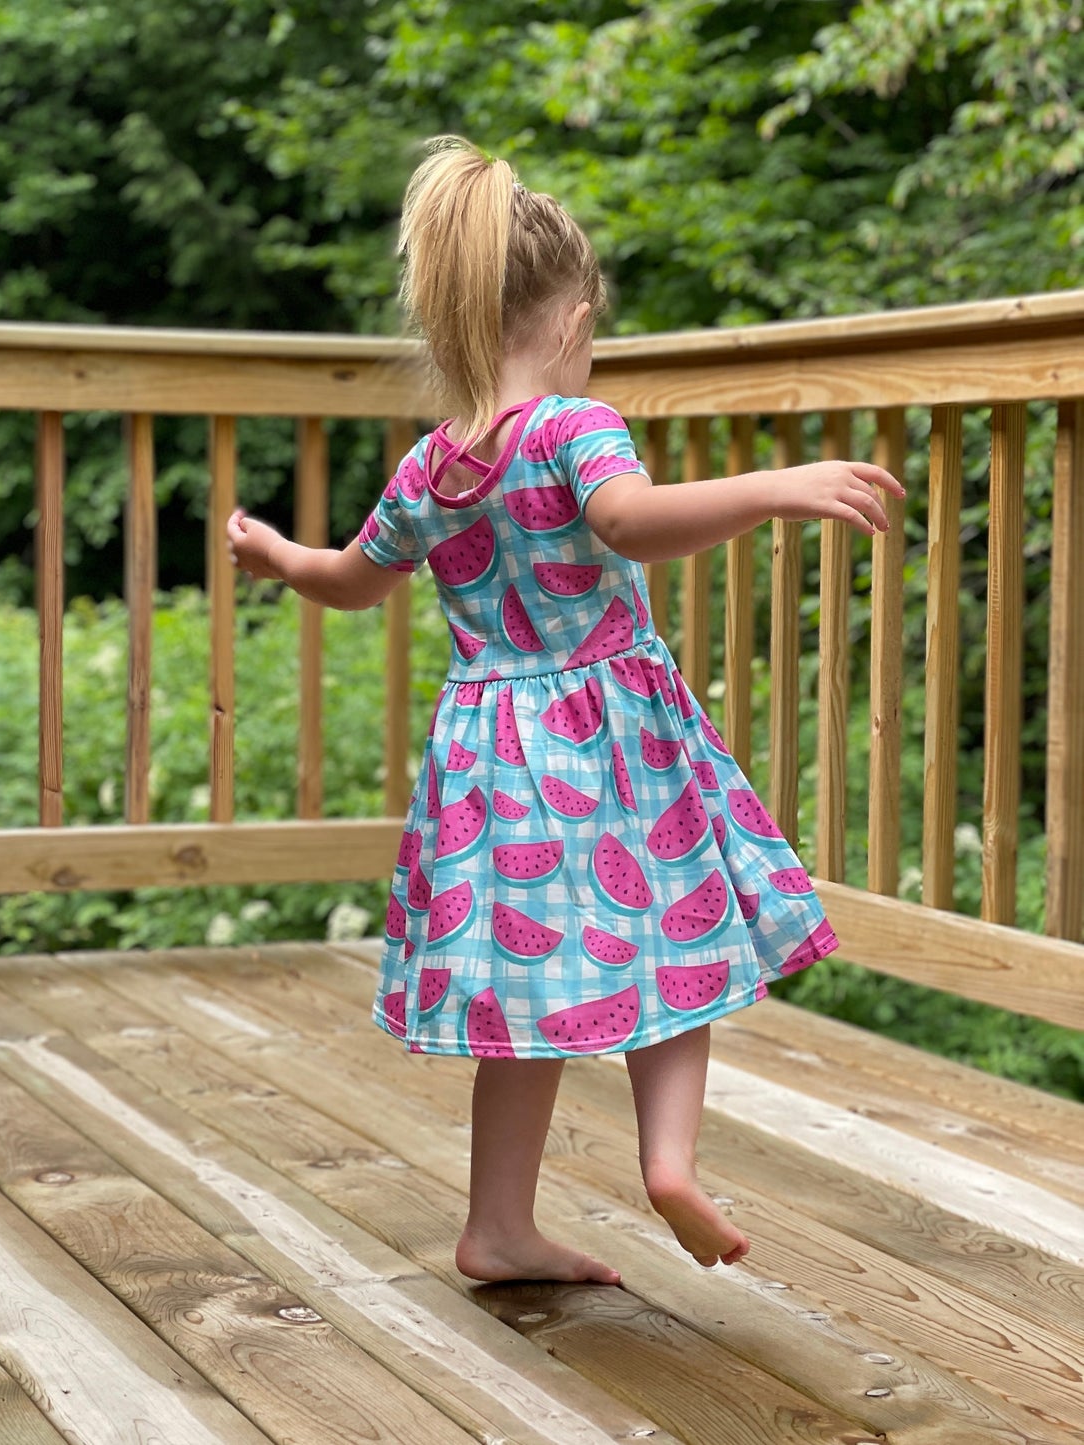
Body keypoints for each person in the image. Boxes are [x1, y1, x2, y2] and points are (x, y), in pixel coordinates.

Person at [227, 136, 903, 1286]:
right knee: (676, 930)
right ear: (577, 316)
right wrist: (773, 488)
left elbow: (348, 579)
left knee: (523, 991)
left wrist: (275, 552)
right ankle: (667, 1160)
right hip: (609, 738)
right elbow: (626, 520)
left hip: (491, 757)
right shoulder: (573, 427)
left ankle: (497, 1225)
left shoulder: (431, 466)